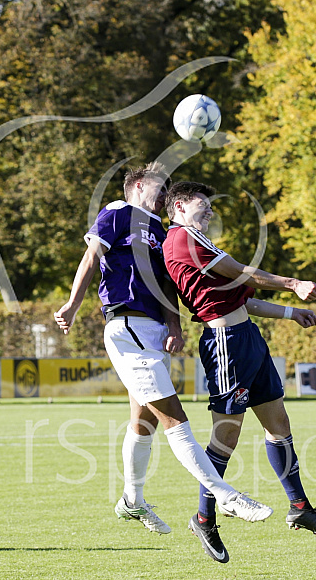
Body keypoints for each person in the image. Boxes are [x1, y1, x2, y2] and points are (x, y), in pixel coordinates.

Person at [54, 161, 276, 536]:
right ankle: (226, 496)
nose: (164, 194)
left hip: (153, 331)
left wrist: (173, 324)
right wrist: (73, 305)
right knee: (175, 417)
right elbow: (92, 255)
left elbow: (166, 283)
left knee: (145, 420)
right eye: (160, 186)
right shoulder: (118, 211)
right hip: (127, 326)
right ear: (139, 184)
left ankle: (132, 500)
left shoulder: (160, 230)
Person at [162, 181, 316, 563]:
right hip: (226, 344)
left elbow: (243, 296)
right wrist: (293, 284)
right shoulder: (182, 239)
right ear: (179, 205)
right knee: (226, 435)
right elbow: (240, 272)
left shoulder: (194, 240)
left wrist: (293, 314)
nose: (209, 211)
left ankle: (299, 506)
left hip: (247, 339)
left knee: (279, 423)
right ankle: (204, 517)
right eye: (202, 204)